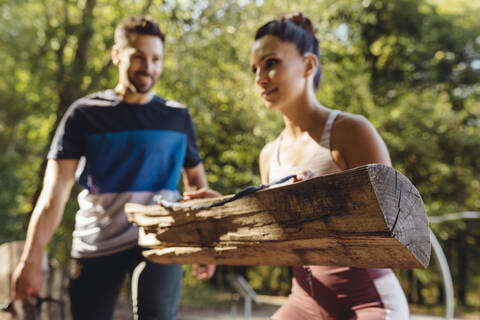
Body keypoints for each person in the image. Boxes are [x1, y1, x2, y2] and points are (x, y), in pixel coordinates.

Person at [11, 15, 217, 320]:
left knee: (157, 313)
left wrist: (205, 244)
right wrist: (31, 259)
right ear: (117, 55)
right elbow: (54, 194)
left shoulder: (177, 117)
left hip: (159, 239)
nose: (148, 66)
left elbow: (197, 187)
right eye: (138, 57)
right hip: (96, 243)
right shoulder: (83, 114)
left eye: (156, 58)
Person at [250, 12, 410, 319]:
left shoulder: (352, 131)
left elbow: (395, 225)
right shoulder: (269, 154)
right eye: (254, 68)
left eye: (271, 63)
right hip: (303, 300)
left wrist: (321, 202)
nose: (259, 77)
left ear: (309, 65)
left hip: (369, 300)